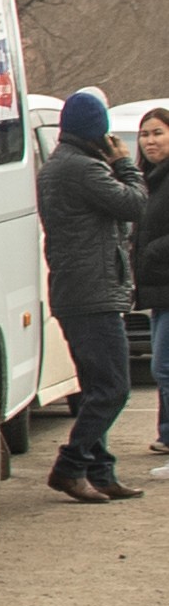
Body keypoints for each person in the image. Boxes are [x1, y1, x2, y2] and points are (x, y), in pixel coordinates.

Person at [39, 89, 146, 501]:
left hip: (76, 291)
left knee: (95, 386)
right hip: (93, 294)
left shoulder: (58, 165)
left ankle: (100, 472)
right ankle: (70, 466)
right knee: (113, 388)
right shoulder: (83, 169)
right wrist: (124, 164)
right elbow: (135, 205)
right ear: (96, 132)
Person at [136, 105, 169, 454]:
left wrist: (152, 251)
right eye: (145, 134)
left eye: (158, 132)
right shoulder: (150, 179)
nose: (150, 141)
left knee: (162, 366)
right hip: (159, 291)